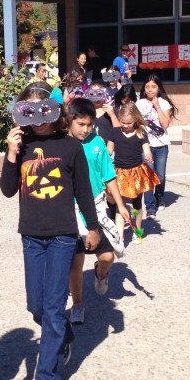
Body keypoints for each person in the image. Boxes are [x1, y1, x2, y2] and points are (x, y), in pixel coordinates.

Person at [0, 86, 101, 380]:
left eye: (43, 110)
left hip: (62, 235)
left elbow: (83, 191)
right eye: (28, 111)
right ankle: (64, 335)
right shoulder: (23, 145)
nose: (37, 119)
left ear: (55, 110)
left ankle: (47, 375)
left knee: (55, 306)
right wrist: (12, 154)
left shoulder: (70, 147)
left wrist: (93, 227)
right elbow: (6, 189)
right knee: (36, 306)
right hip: (31, 235)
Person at [65, 98, 131, 324]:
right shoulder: (62, 143)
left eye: (89, 124)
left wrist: (120, 205)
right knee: (76, 260)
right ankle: (78, 304)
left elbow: (108, 175)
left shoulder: (98, 143)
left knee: (107, 256)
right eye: (80, 124)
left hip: (96, 207)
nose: (85, 130)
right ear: (69, 121)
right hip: (70, 209)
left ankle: (101, 274)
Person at [107, 102, 161, 243]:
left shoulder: (140, 132)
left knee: (137, 204)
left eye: (129, 123)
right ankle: (120, 236)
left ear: (136, 119)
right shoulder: (115, 133)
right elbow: (109, 151)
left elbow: (146, 147)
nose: (125, 125)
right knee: (121, 204)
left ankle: (138, 231)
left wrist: (148, 154)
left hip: (137, 173)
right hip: (120, 172)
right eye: (123, 122)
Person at [136, 75, 177, 216]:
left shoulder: (164, 103)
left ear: (158, 88)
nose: (150, 90)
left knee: (160, 176)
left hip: (161, 145)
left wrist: (157, 106)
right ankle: (150, 208)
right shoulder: (139, 103)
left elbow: (165, 124)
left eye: (153, 87)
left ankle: (159, 198)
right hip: (145, 145)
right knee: (148, 175)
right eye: (147, 87)